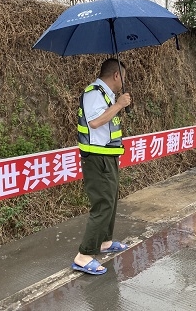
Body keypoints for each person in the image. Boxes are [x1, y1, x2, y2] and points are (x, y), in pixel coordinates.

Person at [72, 58, 131, 275]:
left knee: (111, 199)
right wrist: (118, 105)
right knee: (103, 203)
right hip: (97, 158)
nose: (124, 82)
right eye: (123, 78)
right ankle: (84, 255)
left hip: (108, 156)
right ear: (116, 75)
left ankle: (105, 242)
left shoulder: (107, 94)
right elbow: (94, 122)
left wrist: (117, 104)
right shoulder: (94, 93)